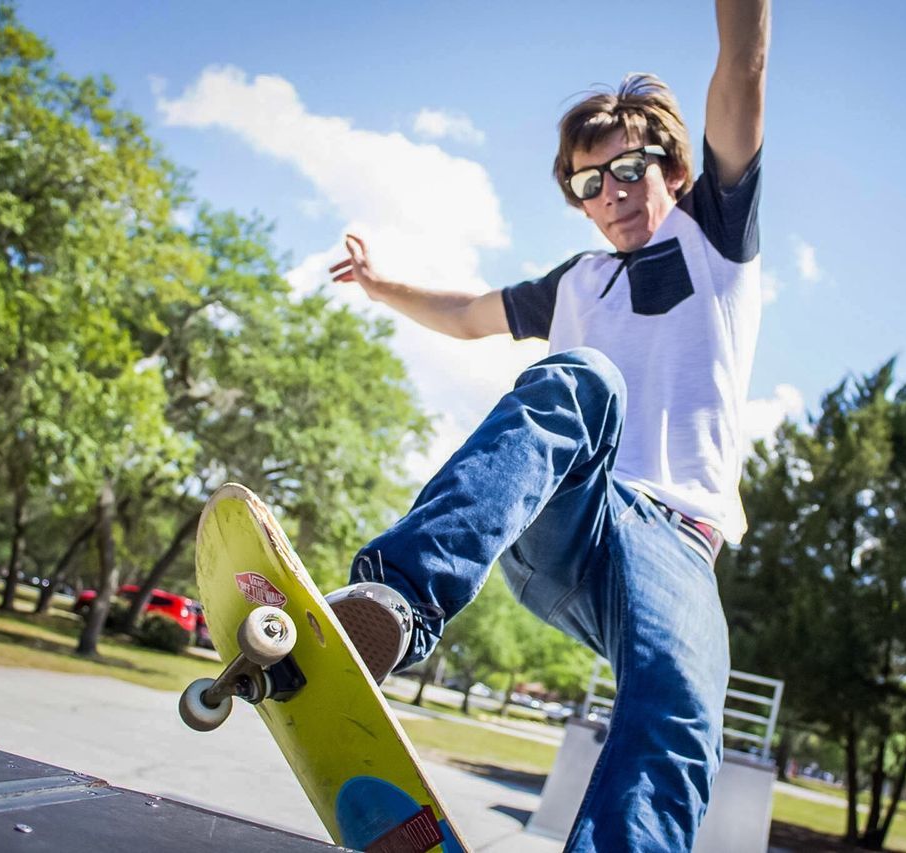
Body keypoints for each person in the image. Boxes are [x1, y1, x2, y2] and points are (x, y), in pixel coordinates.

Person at [327, 1, 768, 848]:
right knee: (583, 378)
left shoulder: (715, 233)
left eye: (631, 169)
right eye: (589, 183)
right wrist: (383, 287)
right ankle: (394, 599)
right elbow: (465, 313)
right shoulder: (575, 282)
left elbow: (742, 71)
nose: (614, 195)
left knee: (681, 718)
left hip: (677, 544)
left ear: (672, 168)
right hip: (570, 520)